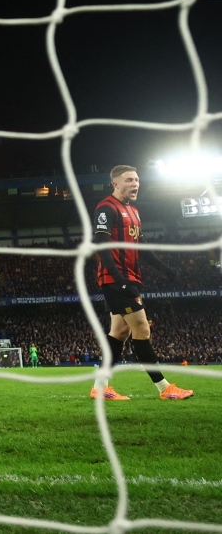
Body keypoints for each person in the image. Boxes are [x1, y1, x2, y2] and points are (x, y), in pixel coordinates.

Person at [90, 165, 193, 401]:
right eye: (129, 180)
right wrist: (120, 281)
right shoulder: (106, 208)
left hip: (128, 279)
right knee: (142, 329)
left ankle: (100, 387)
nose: (135, 184)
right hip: (116, 280)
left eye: (137, 180)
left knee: (119, 332)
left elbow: (141, 248)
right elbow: (102, 245)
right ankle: (165, 388)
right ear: (115, 183)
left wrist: (165, 269)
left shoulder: (134, 211)